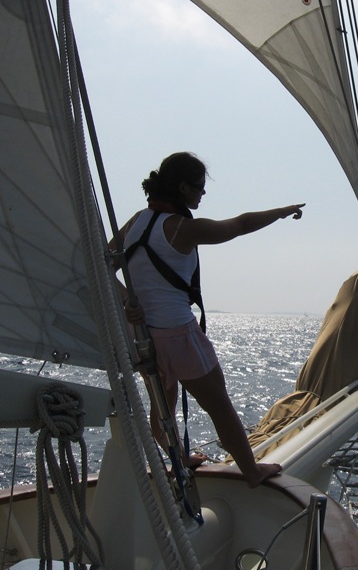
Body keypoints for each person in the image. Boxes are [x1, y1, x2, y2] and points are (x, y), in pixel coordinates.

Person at [112, 152, 304, 488]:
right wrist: (281, 211)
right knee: (219, 404)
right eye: (199, 187)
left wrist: (128, 299)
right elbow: (240, 225)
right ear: (183, 188)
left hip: (141, 334)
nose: (203, 193)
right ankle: (251, 471)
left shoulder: (136, 222)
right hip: (177, 334)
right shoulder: (184, 229)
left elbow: (99, 265)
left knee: (162, 404)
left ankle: (179, 459)